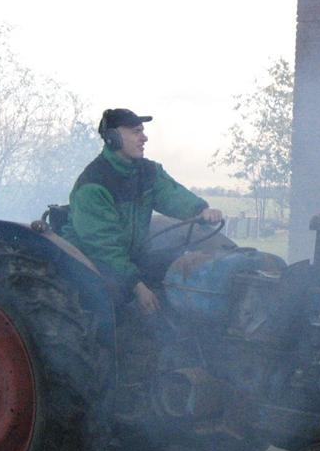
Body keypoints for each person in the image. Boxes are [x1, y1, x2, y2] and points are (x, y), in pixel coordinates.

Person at [62, 108, 222, 314]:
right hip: (90, 264)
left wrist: (201, 210)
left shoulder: (147, 172)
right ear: (113, 138)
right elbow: (103, 247)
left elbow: (172, 196)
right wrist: (137, 286)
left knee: (177, 276)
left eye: (143, 131)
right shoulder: (93, 185)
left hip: (128, 259)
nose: (144, 138)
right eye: (136, 132)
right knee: (119, 301)